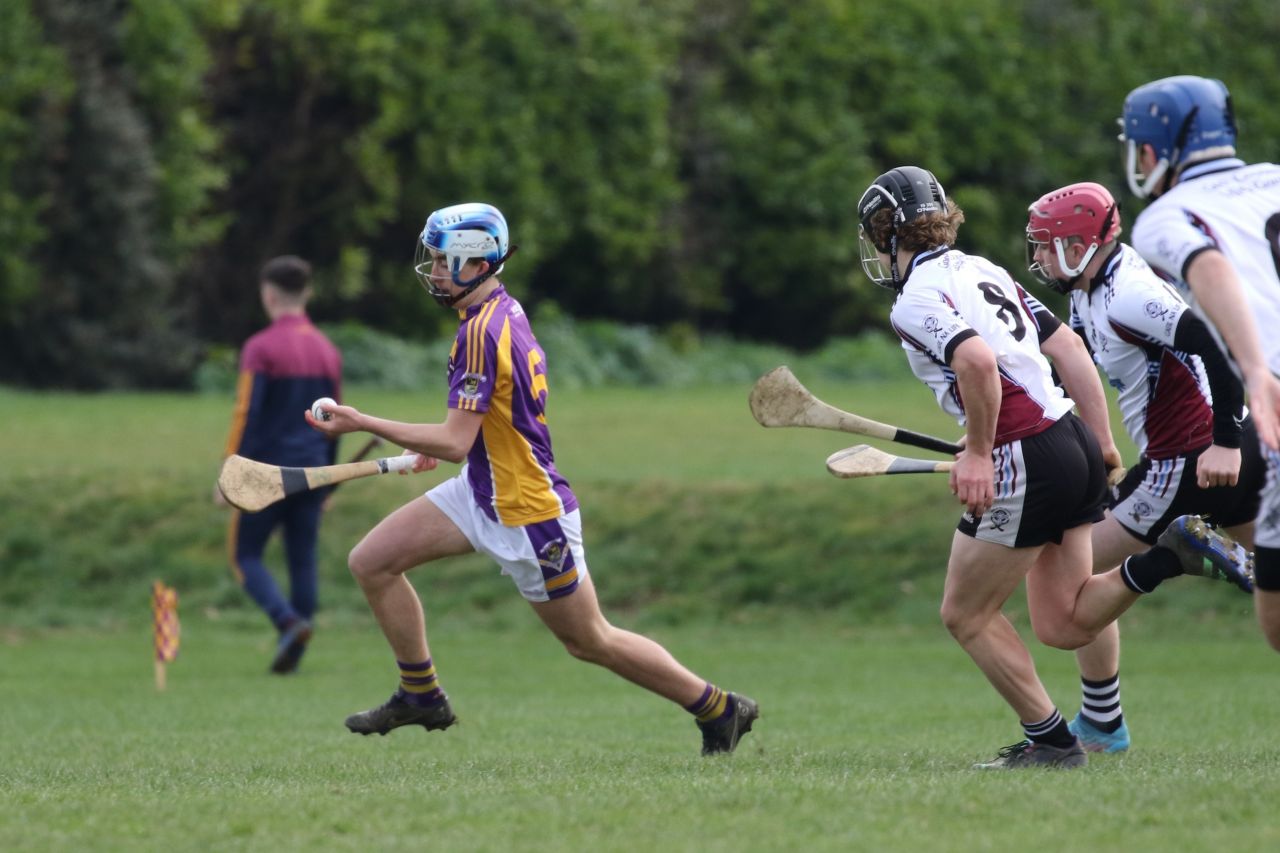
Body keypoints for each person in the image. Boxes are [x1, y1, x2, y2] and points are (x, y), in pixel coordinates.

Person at [304, 202, 758, 755]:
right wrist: (445, 445)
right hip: (481, 487)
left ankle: (719, 709)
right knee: (372, 562)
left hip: (526, 510)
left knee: (590, 640)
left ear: (474, 262)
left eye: (443, 260)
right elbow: (477, 429)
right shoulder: (498, 310)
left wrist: (362, 421)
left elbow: (452, 440)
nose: (435, 271)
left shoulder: (480, 331)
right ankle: (420, 694)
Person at [855, 166, 1252, 769]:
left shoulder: (912, 301)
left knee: (964, 614)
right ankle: (1167, 559)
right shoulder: (983, 268)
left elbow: (979, 365)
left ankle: (1052, 741)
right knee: (1063, 623)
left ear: (887, 236)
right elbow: (1065, 347)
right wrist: (1100, 441)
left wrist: (983, 453)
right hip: (1069, 440)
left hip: (1024, 455)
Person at [1025, 180, 1262, 753]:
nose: (1034, 256)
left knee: (1070, 575)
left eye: (1044, 244)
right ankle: (1103, 721)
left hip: (1194, 461)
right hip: (1222, 456)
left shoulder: (1128, 291)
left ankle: (1105, 719)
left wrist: (1224, 440)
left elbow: (1220, 345)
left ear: (1080, 243)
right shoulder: (1087, 289)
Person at [1118, 75, 1280, 651]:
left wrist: (1256, 369)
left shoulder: (1164, 216)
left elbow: (1208, 269)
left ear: (1153, 149)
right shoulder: (1274, 177)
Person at [217, 255, 342, 674]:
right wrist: (328, 479)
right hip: (311, 471)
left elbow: (246, 415)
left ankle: (288, 623)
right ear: (306, 293)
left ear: (268, 294)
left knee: (245, 555)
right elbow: (334, 421)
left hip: (265, 473)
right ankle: (298, 641)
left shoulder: (260, 347)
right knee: (302, 560)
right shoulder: (327, 351)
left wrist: (229, 472)